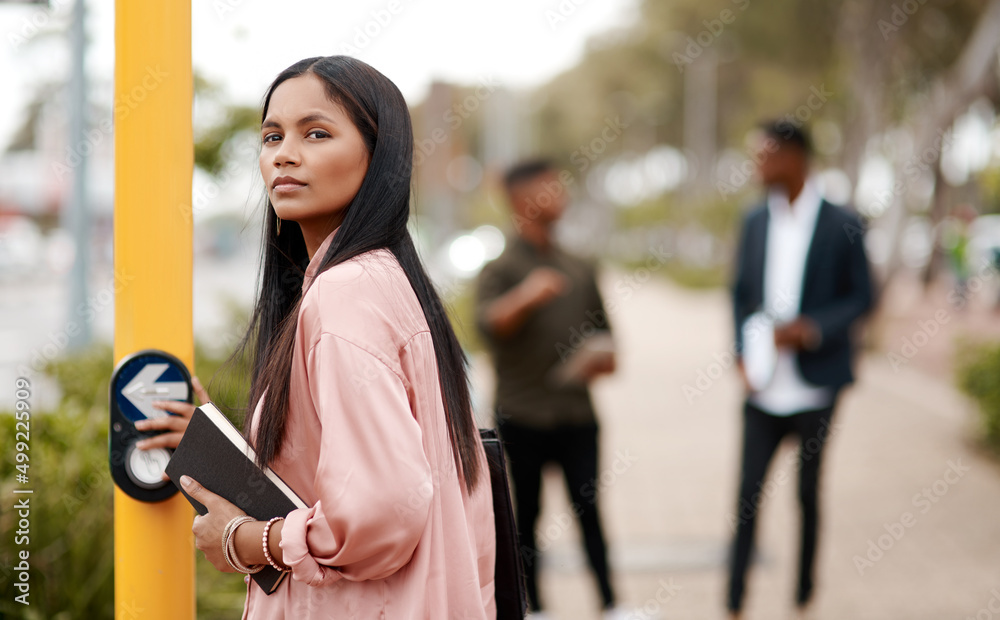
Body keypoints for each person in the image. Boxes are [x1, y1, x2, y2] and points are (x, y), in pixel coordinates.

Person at [135, 55, 496, 619]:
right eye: (272, 135)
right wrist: (235, 454)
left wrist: (244, 541)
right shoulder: (391, 282)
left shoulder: (345, 292)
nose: (284, 153)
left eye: (317, 133)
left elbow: (381, 510)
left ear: (380, 159)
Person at [728, 121, 874, 619]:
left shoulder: (842, 220)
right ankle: (733, 601)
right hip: (762, 385)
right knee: (746, 495)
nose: (756, 165)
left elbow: (862, 296)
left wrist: (811, 328)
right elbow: (740, 294)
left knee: (808, 494)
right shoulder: (753, 220)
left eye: (763, 155)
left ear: (794, 157)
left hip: (816, 385)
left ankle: (803, 596)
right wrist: (741, 354)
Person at [475, 160, 628, 620]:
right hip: (521, 417)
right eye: (550, 188)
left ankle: (611, 605)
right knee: (526, 521)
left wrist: (602, 360)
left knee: (590, 511)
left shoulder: (580, 267)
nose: (561, 195)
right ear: (522, 201)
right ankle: (533, 609)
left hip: (578, 414)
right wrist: (527, 295)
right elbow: (488, 325)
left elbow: (607, 338)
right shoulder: (500, 269)